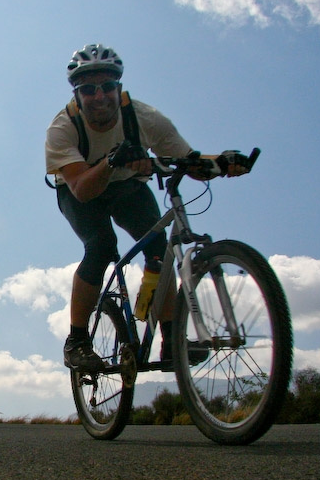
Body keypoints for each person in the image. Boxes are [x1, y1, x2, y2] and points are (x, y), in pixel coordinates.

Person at [45, 43, 252, 371]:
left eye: (107, 86)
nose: (99, 96)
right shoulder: (63, 128)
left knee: (160, 249)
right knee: (101, 246)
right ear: (76, 95)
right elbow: (82, 190)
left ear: (119, 88)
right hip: (80, 188)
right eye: (88, 90)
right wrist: (112, 160)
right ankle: (78, 341)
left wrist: (222, 162)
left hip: (128, 186)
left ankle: (171, 339)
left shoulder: (145, 118)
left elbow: (190, 161)